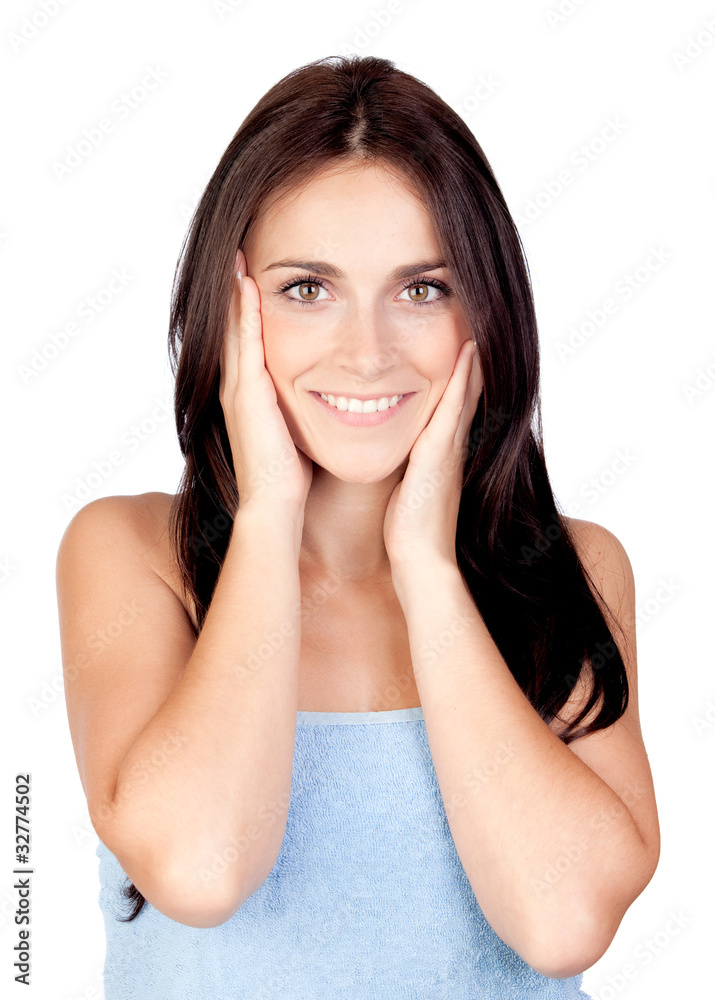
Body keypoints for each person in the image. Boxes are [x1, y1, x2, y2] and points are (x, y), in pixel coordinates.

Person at [55, 54, 660, 998]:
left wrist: (426, 566)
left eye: (422, 288)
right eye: (307, 289)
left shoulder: (570, 568)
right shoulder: (133, 556)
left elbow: (561, 922)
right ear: (228, 306)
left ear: (485, 311)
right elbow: (202, 869)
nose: (368, 352)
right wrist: (268, 515)